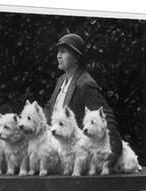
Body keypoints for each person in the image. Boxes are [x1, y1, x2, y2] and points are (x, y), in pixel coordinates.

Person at [44, 33, 122, 167]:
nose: (58, 56)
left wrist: (114, 152)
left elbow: (105, 116)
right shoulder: (61, 80)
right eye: (58, 51)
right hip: (58, 148)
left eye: (64, 52)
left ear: (76, 57)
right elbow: (49, 107)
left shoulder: (85, 84)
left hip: (76, 157)